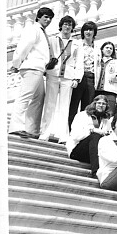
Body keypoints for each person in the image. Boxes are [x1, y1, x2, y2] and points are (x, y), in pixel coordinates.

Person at [8, 6, 54, 138]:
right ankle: (15, 126)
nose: (48, 20)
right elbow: (24, 47)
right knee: (25, 96)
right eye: (45, 17)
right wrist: (16, 63)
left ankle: (31, 129)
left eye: (50, 18)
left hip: (39, 69)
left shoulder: (42, 31)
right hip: (32, 67)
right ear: (39, 17)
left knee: (39, 98)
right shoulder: (33, 29)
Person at [39, 15, 83, 144]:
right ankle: (45, 132)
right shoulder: (53, 39)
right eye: (65, 24)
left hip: (68, 77)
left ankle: (62, 135)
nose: (67, 27)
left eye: (70, 25)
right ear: (61, 25)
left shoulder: (76, 43)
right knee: (49, 104)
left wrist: (77, 78)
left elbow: (79, 61)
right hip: (53, 74)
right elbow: (46, 55)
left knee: (64, 106)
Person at [67, 94, 111, 175]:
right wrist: (92, 131)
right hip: (77, 150)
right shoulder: (82, 115)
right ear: (94, 104)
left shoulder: (106, 121)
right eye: (99, 103)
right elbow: (75, 136)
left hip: (94, 153)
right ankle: (96, 172)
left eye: (103, 104)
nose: (101, 105)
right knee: (95, 136)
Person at [68, 21, 101, 126]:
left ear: (94, 32)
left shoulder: (97, 48)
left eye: (91, 30)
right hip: (79, 77)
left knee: (87, 107)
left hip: (91, 78)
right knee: (73, 105)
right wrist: (74, 78)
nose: (88, 32)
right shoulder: (77, 44)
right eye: (86, 29)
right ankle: (70, 129)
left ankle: (83, 129)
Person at [94, 41, 117, 116]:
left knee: (109, 114)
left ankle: (107, 127)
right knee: (95, 113)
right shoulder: (97, 61)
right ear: (102, 49)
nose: (108, 50)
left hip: (110, 92)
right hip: (96, 91)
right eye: (107, 48)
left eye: (111, 48)